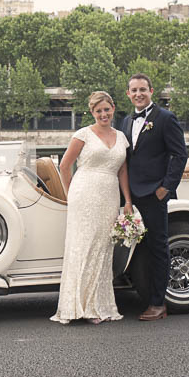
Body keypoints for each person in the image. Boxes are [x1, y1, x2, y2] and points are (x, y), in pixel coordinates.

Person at [51, 91, 133, 325]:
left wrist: (127, 200)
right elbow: (65, 166)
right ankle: (79, 305)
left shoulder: (121, 137)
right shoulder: (83, 135)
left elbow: (123, 171)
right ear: (92, 112)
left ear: (113, 108)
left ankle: (98, 305)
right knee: (84, 247)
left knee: (103, 248)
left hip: (109, 195)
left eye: (106, 109)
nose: (103, 114)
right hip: (84, 194)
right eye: (98, 111)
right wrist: (71, 195)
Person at [122, 73, 188, 321]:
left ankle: (158, 303)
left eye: (143, 89)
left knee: (158, 248)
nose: (138, 94)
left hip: (154, 194)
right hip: (130, 194)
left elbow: (180, 156)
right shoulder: (126, 121)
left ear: (151, 91)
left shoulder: (166, 118)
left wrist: (165, 188)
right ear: (128, 94)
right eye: (134, 90)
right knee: (136, 249)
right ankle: (139, 295)